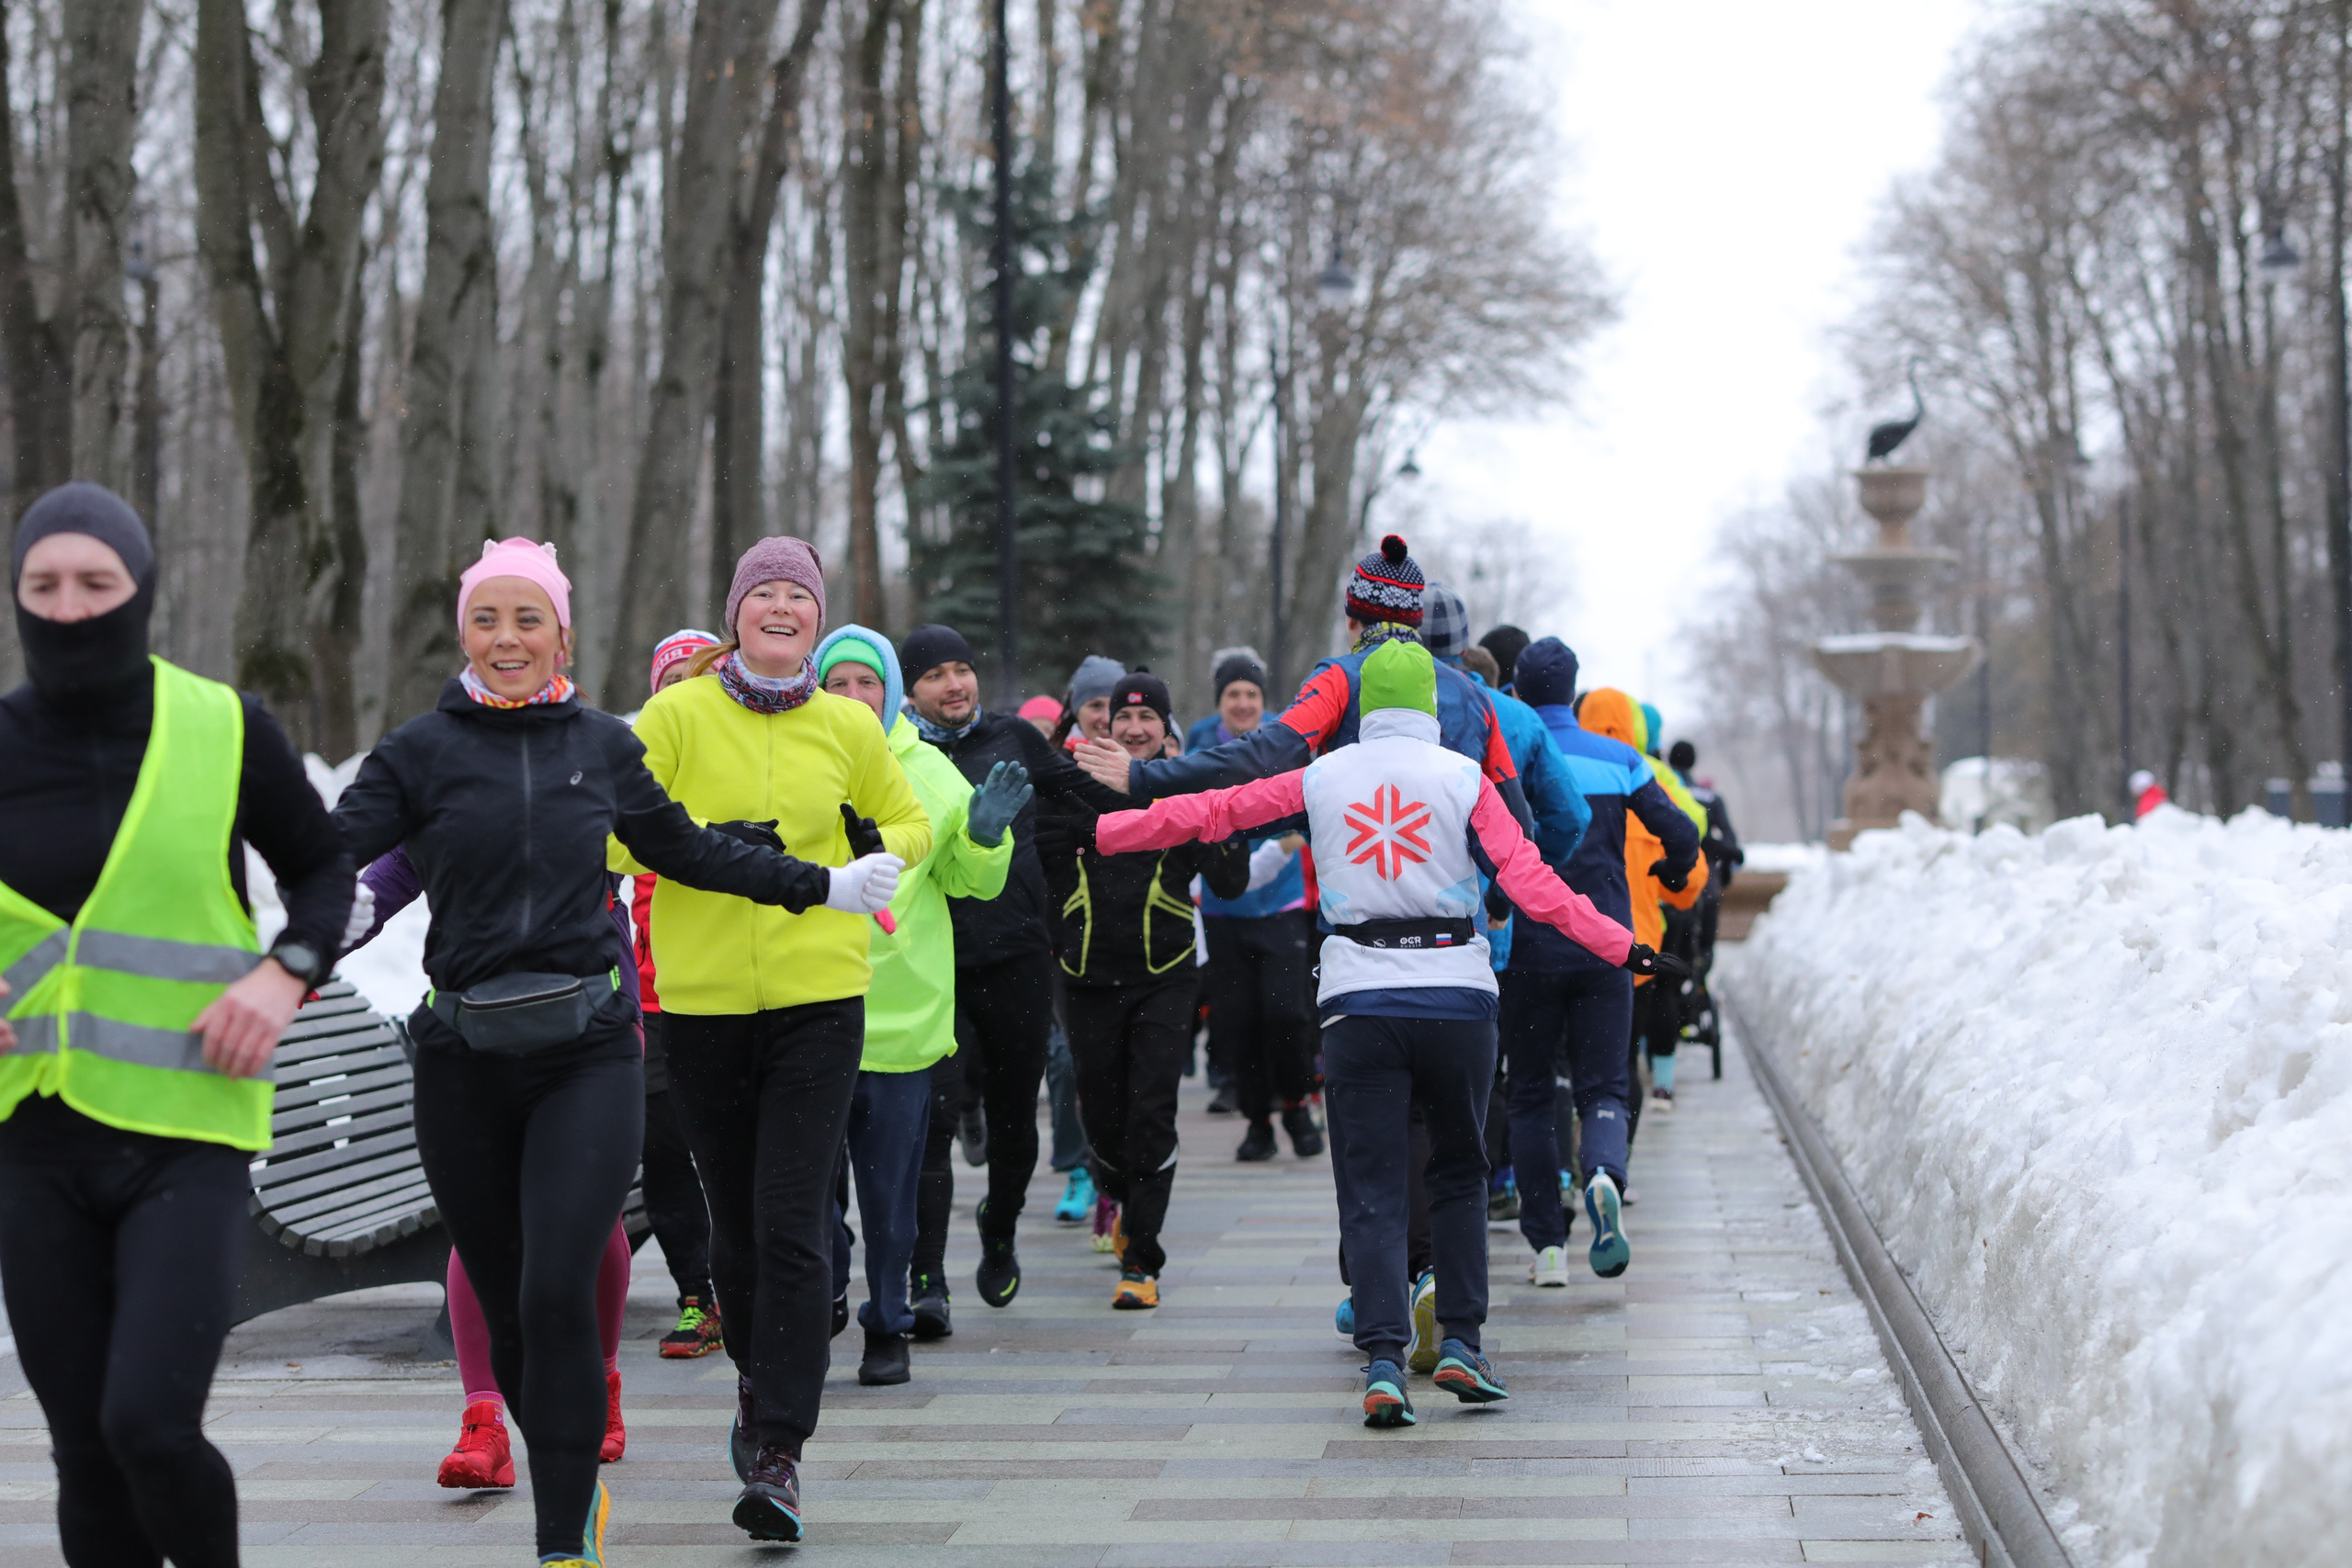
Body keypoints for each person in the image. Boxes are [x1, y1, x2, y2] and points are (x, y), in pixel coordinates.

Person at [333, 537, 860, 1564]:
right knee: (507, 1293)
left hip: (592, 1045)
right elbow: (362, 857)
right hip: (465, 1050)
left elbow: (686, 848)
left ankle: (568, 1529)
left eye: (529, 619)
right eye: (487, 618)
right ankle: (540, 1437)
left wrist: (823, 882)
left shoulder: (601, 748)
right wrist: (311, 925)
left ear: (563, 632)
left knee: (560, 1281)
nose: (508, 639)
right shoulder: (421, 752)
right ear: (463, 633)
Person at [1084, 640, 1679, 1426]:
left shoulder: (1322, 775)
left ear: (1362, 706)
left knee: (1370, 1187)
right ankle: (1463, 1342)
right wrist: (1619, 943)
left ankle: (1384, 1360)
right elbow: (1531, 881)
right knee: (1460, 1175)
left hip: (1360, 998)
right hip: (1456, 997)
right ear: (1434, 705)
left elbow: (1218, 810)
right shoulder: (1465, 778)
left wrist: (1110, 831)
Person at [0, 483, 353, 1568]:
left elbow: (325, 869)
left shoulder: (220, 725)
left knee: (147, 1427)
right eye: (42, 586)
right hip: (33, 1146)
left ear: (140, 590)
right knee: (83, 1455)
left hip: (185, 1140)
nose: (68, 608)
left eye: (95, 583)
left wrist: (282, 974)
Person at [612, 536, 925, 1544]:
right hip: (699, 1007)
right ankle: (758, 1382)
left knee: (793, 1220)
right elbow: (615, 833)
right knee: (736, 1228)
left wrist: (878, 852)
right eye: (765, 594)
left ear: (817, 619)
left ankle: (781, 1448)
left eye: (800, 594)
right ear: (738, 611)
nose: (782, 607)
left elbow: (908, 823)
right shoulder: (674, 714)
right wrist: (707, 845)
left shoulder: (847, 723)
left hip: (817, 1001)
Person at [345, 844, 638, 1486]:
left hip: (589, 1023)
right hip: (476, 1019)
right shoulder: (448, 762)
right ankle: (485, 1421)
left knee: (592, 1213)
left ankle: (603, 1379)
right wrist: (311, 944)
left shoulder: (592, 752)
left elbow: (668, 843)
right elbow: (398, 867)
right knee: (479, 1217)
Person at [813, 624, 1028, 1383]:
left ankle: (889, 1323)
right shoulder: (797, 763)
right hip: (809, 1013)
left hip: (902, 1019)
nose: (851, 698)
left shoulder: (930, 772)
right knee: (809, 1191)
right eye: (835, 683)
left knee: (891, 1194)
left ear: (891, 693)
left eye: (865, 684)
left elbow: (972, 879)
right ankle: (828, 1284)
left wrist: (986, 835)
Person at [896, 623, 1130, 1316]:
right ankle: (926, 1276)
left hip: (1020, 955)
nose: (954, 683)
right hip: (936, 958)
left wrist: (1160, 806)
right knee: (932, 1115)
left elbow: (1083, 794)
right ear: (911, 690)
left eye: (962, 668)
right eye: (935, 673)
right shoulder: (896, 756)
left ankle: (999, 1227)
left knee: (1015, 1122)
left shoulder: (1015, 739)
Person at [1072, 537, 1533, 835]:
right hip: (1458, 932)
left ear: (1353, 620)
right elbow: (1518, 817)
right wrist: (1497, 899)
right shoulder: (1474, 695)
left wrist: (1145, 776)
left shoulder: (1341, 676)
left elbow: (1264, 755)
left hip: (1362, 925)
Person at [1037, 673, 1249, 1307]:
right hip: (1086, 978)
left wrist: (1218, 820)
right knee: (1101, 1117)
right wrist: (1058, 936)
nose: (1133, 728)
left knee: (1152, 1109)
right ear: (1104, 725)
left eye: (1148, 719)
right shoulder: (1071, 784)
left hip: (1166, 975)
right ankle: (1120, 1193)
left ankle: (1143, 1260)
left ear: (1166, 728)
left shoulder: (1187, 788)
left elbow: (1232, 882)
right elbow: (1038, 870)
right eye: (1122, 718)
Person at [1496, 639, 1701, 1289]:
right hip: (1606, 944)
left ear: (1521, 689)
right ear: (1573, 690)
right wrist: (1668, 868)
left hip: (1529, 948)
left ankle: (1547, 1246)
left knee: (1529, 1093)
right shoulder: (1620, 759)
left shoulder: (1512, 756)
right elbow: (1683, 833)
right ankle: (1606, 1174)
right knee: (1605, 1086)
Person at [1186, 648, 1322, 1160]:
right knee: (1237, 1021)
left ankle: (1295, 1105)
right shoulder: (1201, 743)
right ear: (1219, 700)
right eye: (1232, 694)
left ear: (1264, 700)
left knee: (1286, 1015)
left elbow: (1309, 801)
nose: (1242, 703)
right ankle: (1258, 1121)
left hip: (1280, 904)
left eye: (1251, 694)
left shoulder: (1282, 741)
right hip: (1223, 912)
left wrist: (1285, 848)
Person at [633, 628, 728, 1359]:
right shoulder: (634, 777)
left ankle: (752, 1283)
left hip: (733, 993)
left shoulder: (745, 765)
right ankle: (697, 1292)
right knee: (664, 1153)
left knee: (734, 1151)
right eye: (673, 682)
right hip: (651, 1001)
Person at [1580, 692, 1708, 1143]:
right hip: (1635, 949)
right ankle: (1614, 1163)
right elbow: (1693, 854)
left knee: (1558, 1064)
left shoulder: (1555, 763)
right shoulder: (1648, 775)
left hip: (1563, 943)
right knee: (1620, 1063)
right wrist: (1671, 881)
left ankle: (1562, 1164)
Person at [1662, 739, 1741, 1104]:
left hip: (1668, 889)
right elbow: (1729, 844)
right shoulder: (1710, 799)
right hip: (1704, 889)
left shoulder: (1663, 787)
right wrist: (1721, 875)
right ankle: (1697, 984)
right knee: (1702, 947)